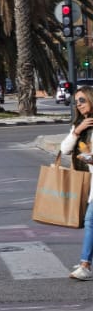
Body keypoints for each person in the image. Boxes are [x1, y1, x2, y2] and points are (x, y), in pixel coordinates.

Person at [62, 89, 93, 279]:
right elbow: (64, 149)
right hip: (86, 183)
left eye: (82, 100)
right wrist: (78, 131)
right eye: (76, 102)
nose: (79, 104)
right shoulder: (79, 126)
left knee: (90, 222)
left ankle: (85, 264)